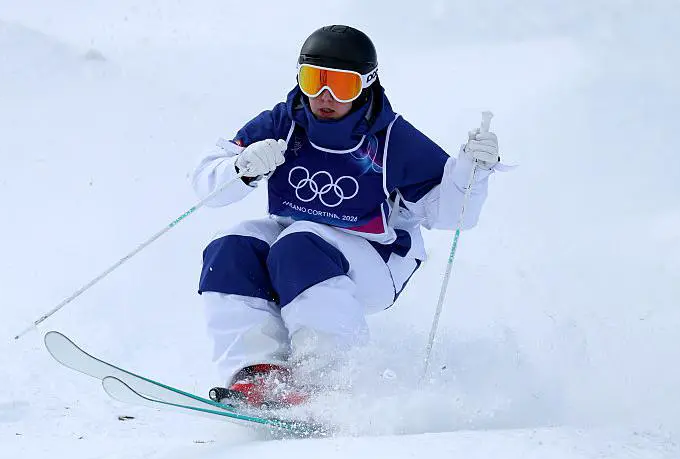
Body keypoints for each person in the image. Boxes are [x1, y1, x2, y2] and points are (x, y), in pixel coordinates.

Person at [190, 24, 501, 408]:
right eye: (313, 80)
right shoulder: (284, 124)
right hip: (297, 243)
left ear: (366, 85)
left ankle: (332, 383)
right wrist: (241, 168)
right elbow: (206, 185)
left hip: (378, 260)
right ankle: (260, 373)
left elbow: (455, 215)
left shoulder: (391, 139)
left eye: (341, 85)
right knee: (231, 247)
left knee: (299, 245)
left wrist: (473, 172)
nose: (324, 96)